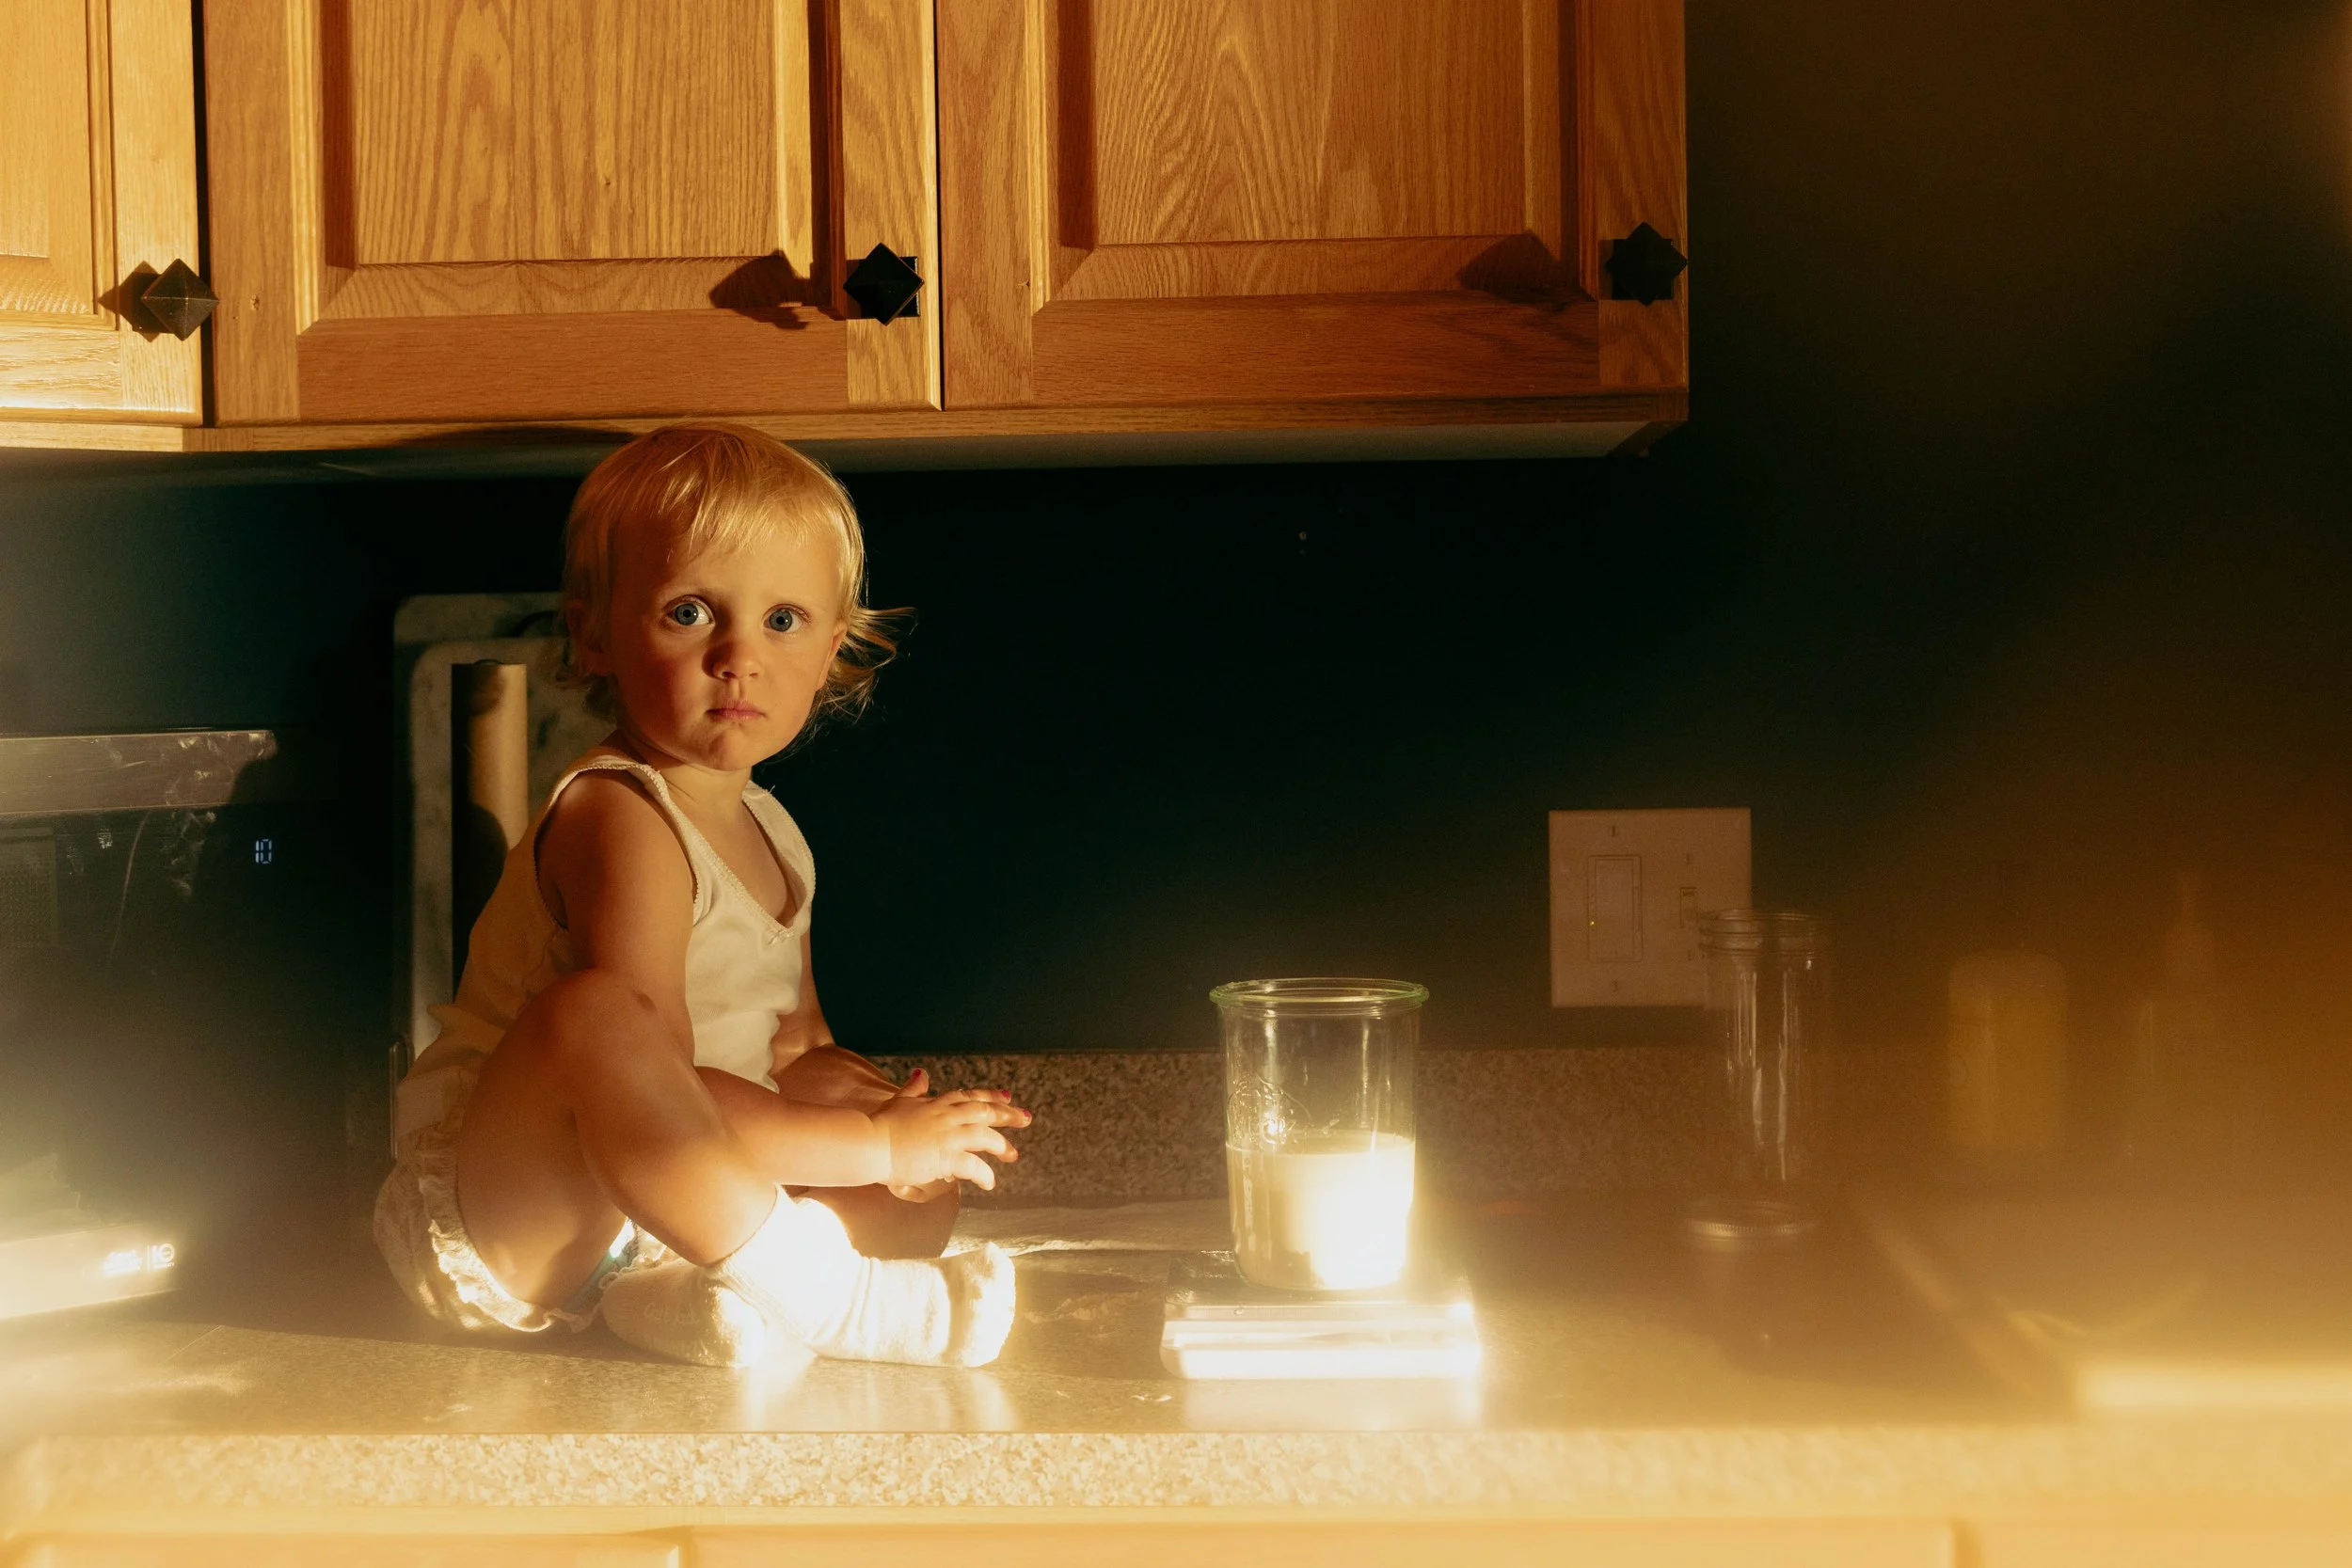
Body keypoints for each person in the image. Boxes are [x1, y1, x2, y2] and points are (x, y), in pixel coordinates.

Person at [375, 423, 1027, 1369]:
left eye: (782, 620)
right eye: (689, 613)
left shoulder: (773, 831)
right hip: (508, 1215)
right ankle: (830, 1300)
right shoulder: (621, 814)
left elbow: (795, 1045)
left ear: (830, 648)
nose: (738, 655)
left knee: (901, 1174)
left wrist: (889, 1118)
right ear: (595, 633)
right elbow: (651, 1067)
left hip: (652, 1203)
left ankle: (686, 1301)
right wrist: (867, 1146)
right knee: (598, 1014)